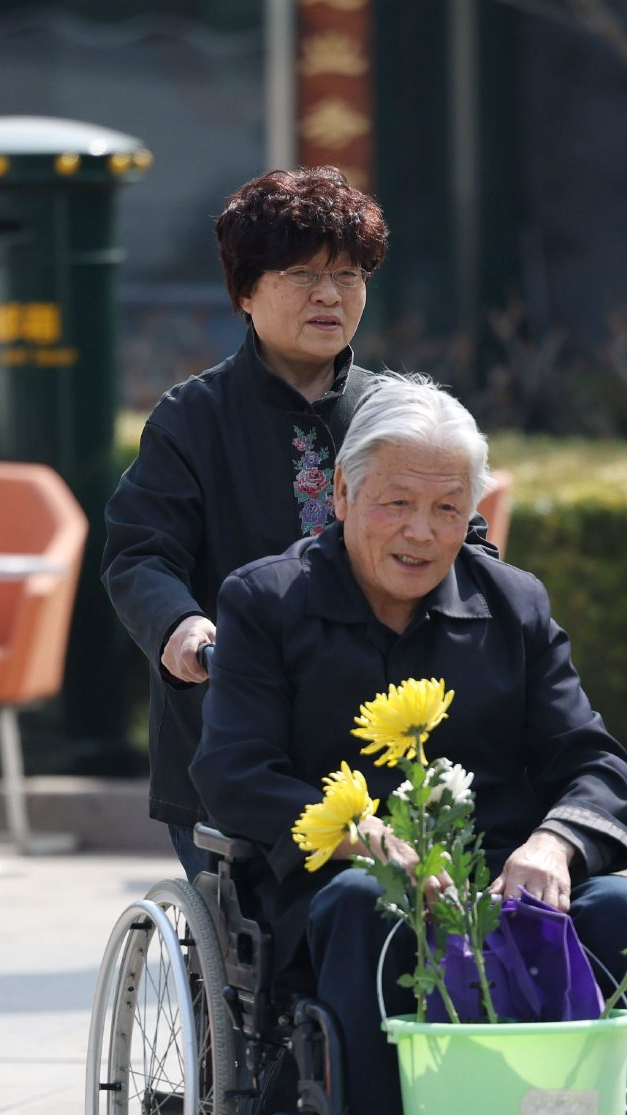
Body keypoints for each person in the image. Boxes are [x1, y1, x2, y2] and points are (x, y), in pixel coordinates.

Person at [191, 375, 627, 1115]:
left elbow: (596, 764)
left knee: (615, 912)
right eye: (397, 503)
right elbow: (232, 771)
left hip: (500, 889)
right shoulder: (267, 602)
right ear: (343, 496)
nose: (422, 531)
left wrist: (554, 843)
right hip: (336, 889)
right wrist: (361, 835)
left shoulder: (511, 605)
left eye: (448, 507)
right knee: (369, 907)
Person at [103, 167, 392, 886]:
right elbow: (141, 554)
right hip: (233, 739)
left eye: (350, 274)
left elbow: (462, 537)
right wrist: (181, 629)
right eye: (302, 274)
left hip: (380, 739)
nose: (331, 295)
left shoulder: (398, 418)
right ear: (244, 291)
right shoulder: (191, 418)